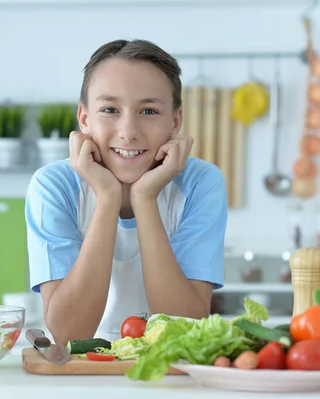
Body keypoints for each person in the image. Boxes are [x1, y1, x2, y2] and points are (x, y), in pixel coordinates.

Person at [25, 39, 227, 345]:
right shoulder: (54, 186)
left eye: (148, 110)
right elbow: (68, 334)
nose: (128, 131)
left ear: (175, 121)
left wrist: (145, 199)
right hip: (86, 373)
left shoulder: (201, 183)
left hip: (172, 371)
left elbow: (185, 327)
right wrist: (107, 198)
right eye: (109, 109)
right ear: (84, 119)